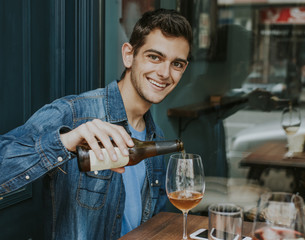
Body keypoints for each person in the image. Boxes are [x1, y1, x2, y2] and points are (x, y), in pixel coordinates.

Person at [0, 8, 192, 239]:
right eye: (154, 57)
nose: (164, 72)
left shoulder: (157, 138)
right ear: (128, 55)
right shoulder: (73, 114)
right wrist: (65, 143)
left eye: (177, 64)